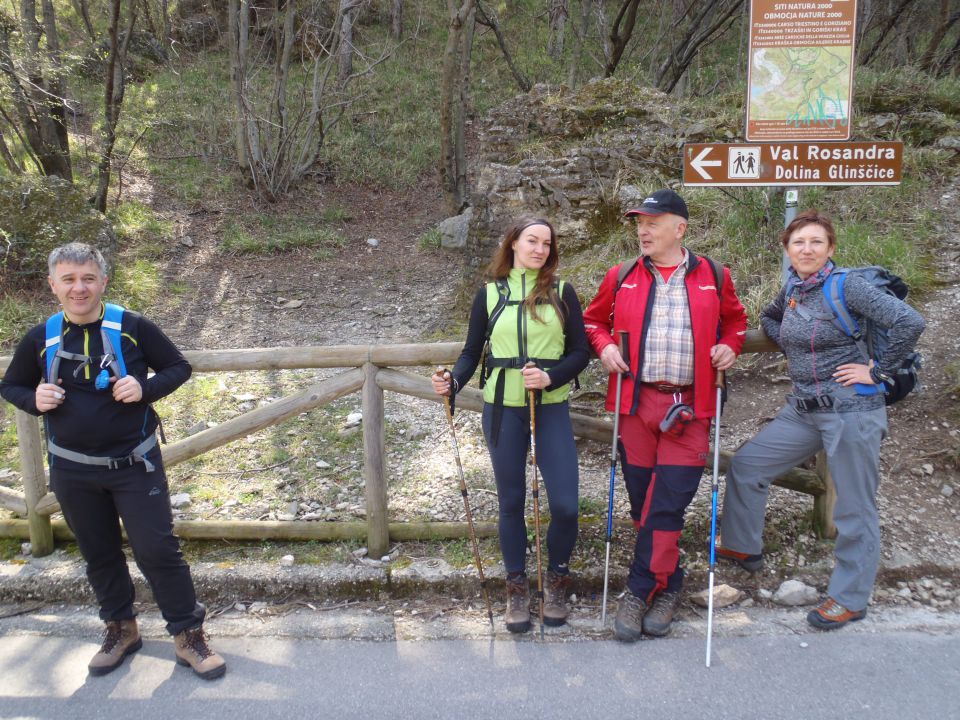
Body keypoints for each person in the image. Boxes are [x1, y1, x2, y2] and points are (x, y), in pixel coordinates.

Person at [0, 243, 225, 679]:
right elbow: (10, 386)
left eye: (88, 278)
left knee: (157, 550)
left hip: (134, 465)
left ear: (103, 281)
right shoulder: (41, 337)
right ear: (53, 286)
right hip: (71, 470)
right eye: (68, 279)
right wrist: (34, 398)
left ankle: (188, 635)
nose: (78, 288)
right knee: (98, 553)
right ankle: (121, 628)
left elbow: (177, 367)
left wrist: (145, 389)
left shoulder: (132, 327)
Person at [718, 210, 925, 630]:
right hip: (803, 409)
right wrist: (791, 345)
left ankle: (850, 598)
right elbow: (771, 319)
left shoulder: (847, 286)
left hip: (851, 410)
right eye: (798, 243)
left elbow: (910, 321)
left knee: (853, 506)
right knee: (748, 465)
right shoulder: (793, 288)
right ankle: (743, 546)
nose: (806, 249)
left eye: (816, 242)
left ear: (830, 249)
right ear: (787, 250)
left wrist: (878, 371)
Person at [583, 188, 748, 642]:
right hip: (636, 405)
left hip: (690, 407)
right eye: (640, 222)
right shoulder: (621, 275)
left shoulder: (715, 275)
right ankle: (670, 583)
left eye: (653, 222)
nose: (643, 229)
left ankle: (639, 591)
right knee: (644, 504)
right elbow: (592, 322)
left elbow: (736, 321)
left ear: (680, 228)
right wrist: (607, 346)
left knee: (668, 502)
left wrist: (730, 346)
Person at [431, 218, 590, 633]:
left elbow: (580, 352)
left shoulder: (562, 292)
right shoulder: (489, 295)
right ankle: (516, 587)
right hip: (503, 406)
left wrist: (551, 377)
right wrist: (452, 381)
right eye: (531, 241)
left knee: (565, 505)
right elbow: (471, 353)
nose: (539, 249)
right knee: (510, 502)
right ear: (514, 244)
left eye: (546, 243)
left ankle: (556, 579)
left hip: (550, 405)